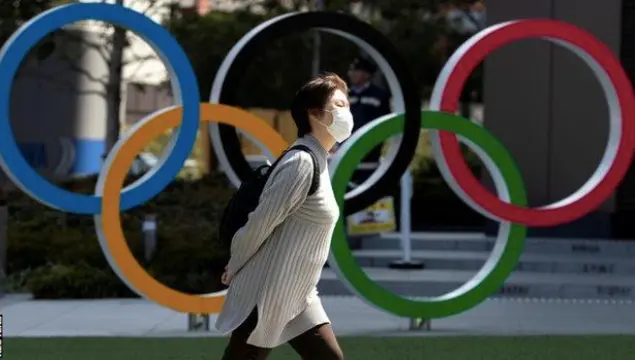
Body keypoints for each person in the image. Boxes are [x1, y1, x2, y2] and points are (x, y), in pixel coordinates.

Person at [216, 73, 351, 360]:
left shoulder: (320, 161)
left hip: (298, 293)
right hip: (266, 291)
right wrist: (235, 263)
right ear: (314, 114)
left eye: (347, 105)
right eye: (339, 106)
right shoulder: (301, 163)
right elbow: (260, 223)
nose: (347, 113)